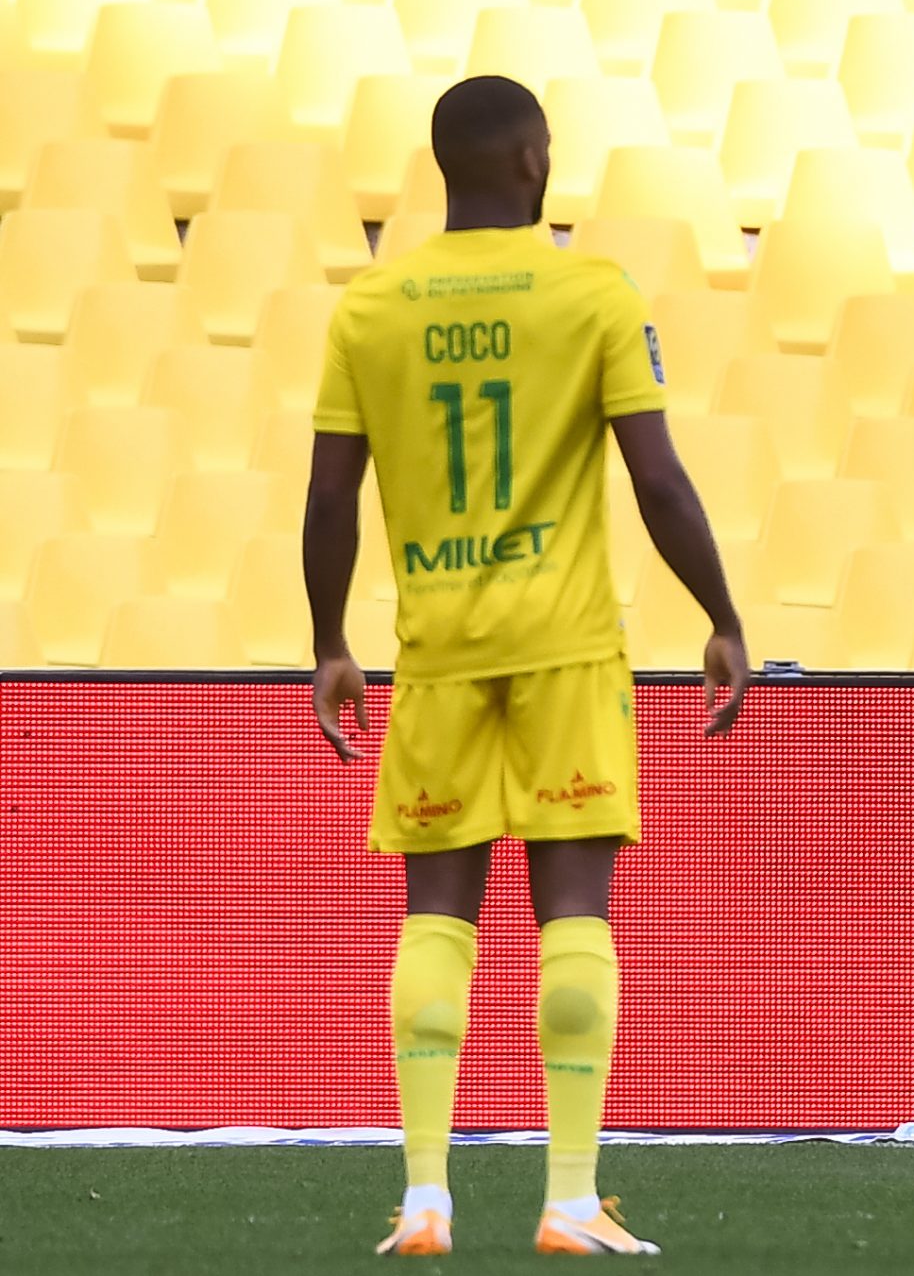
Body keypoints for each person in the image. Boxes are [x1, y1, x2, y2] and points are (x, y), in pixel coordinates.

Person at [303, 75, 748, 1254]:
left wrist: (328, 642)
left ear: (445, 168)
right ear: (533, 163)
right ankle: (564, 1197)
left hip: (437, 652)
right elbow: (655, 478)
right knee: (572, 914)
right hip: (565, 650)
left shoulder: (372, 308)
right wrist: (721, 616)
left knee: (436, 917)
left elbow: (330, 496)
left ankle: (426, 1199)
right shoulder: (591, 293)